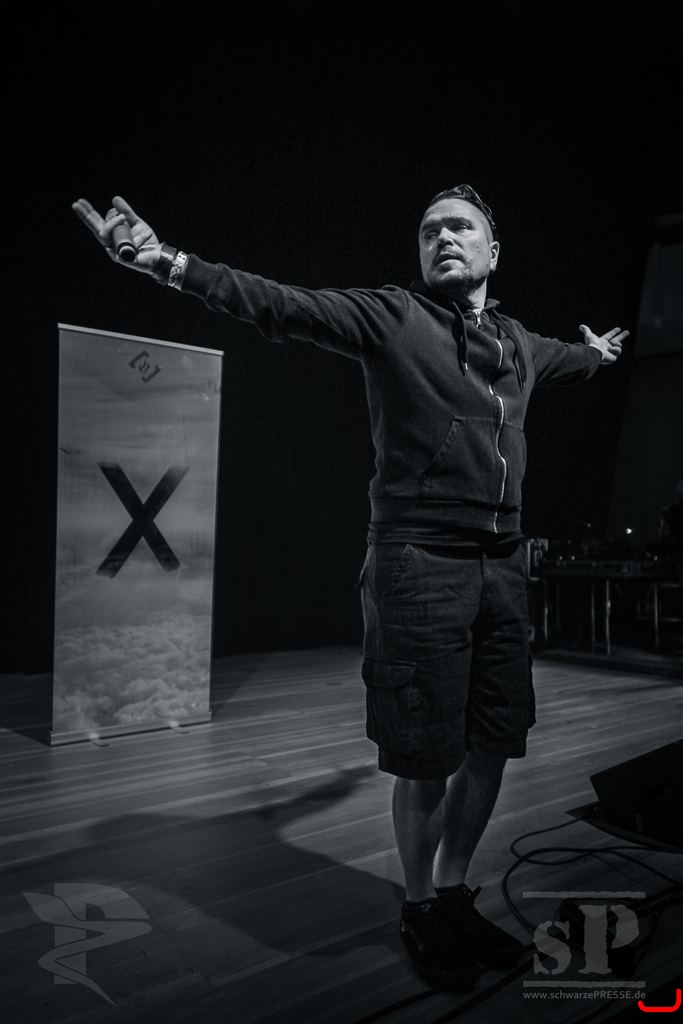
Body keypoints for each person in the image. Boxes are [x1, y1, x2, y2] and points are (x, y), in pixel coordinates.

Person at [72, 186, 626, 992]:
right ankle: (420, 906)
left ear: (492, 252)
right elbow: (279, 304)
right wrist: (168, 264)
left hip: (503, 566)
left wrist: (599, 356)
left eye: (459, 227)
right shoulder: (391, 316)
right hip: (418, 562)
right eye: (429, 229)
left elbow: (571, 363)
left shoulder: (519, 342)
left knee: (492, 743)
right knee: (425, 755)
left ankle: (455, 890)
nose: (442, 237)